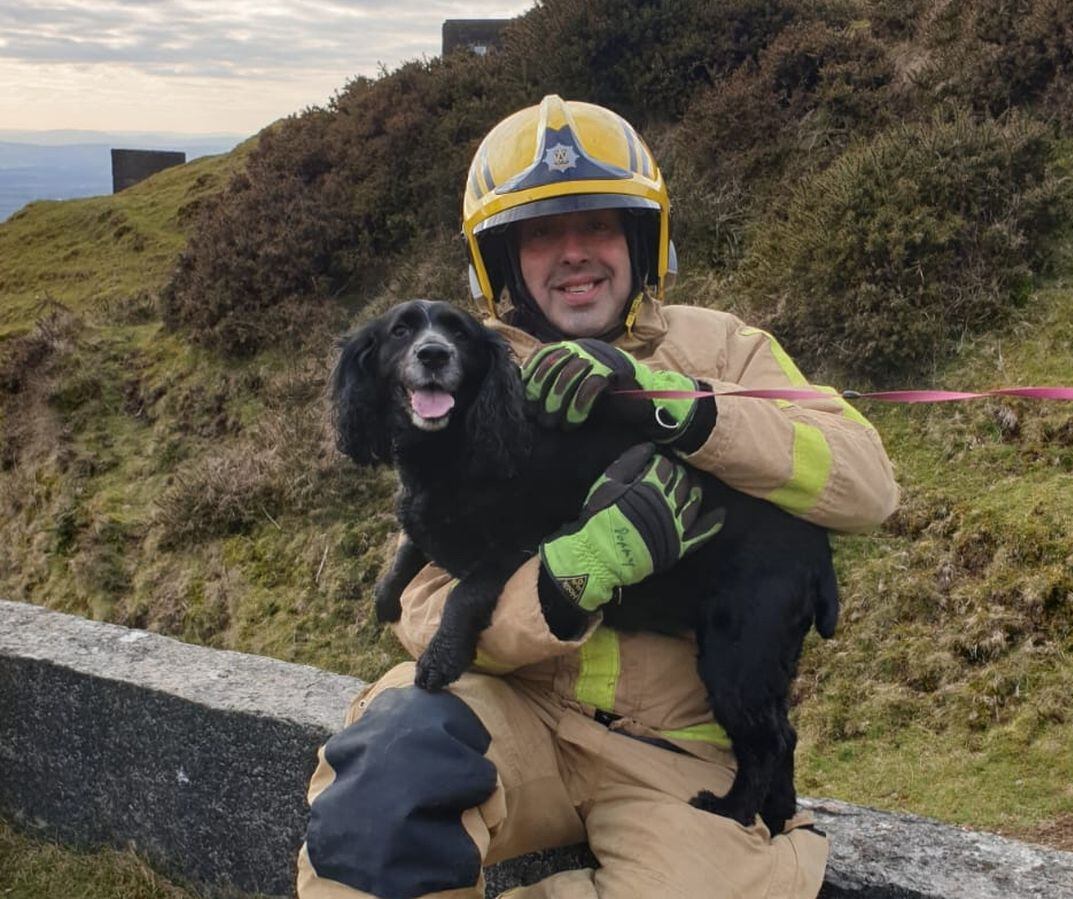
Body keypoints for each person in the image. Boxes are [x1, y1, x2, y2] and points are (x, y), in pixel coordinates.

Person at [297, 95, 899, 898]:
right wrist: (566, 577)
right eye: (543, 232)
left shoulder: (722, 344)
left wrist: (681, 408)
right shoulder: (470, 368)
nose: (574, 253)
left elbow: (867, 483)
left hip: (680, 752)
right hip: (514, 716)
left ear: (640, 239)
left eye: (599, 226)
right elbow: (424, 600)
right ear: (503, 259)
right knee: (382, 793)